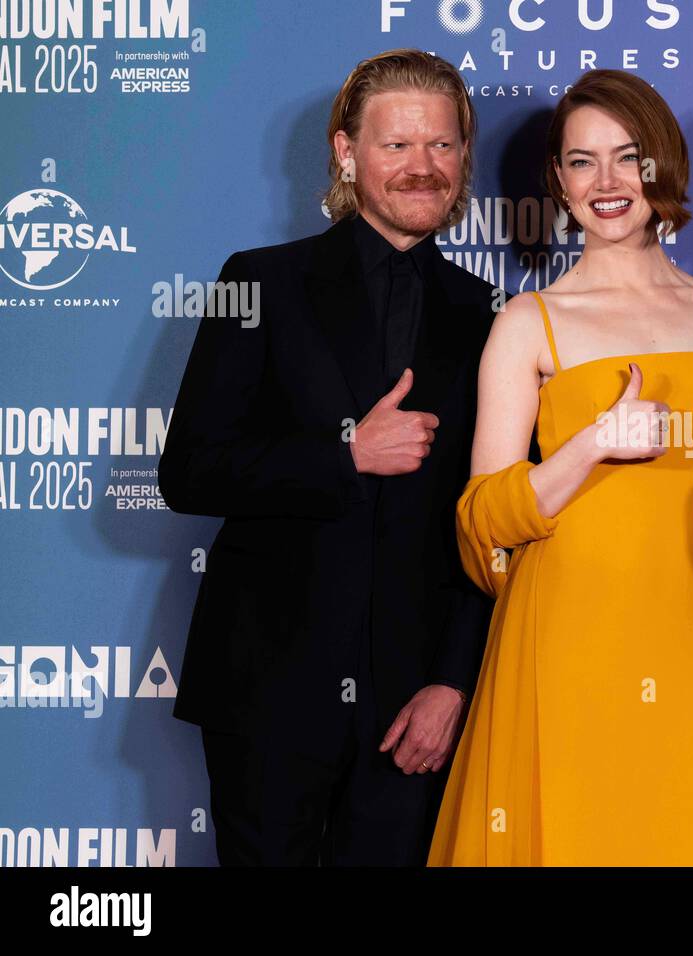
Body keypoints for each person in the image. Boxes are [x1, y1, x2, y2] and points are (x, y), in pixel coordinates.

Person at [428, 69, 693, 865]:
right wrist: (591, 444)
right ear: (557, 181)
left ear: (664, 165)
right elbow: (481, 523)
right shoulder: (529, 324)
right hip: (567, 658)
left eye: (628, 158)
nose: (608, 182)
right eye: (582, 162)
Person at [159, 49, 501, 865]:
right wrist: (346, 453)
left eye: (443, 146)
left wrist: (453, 682)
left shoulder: (488, 314)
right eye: (397, 146)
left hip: (411, 703)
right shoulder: (259, 283)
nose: (423, 168)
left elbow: (489, 520)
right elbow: (190, 470)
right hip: (267, 691)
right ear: (346, 152)